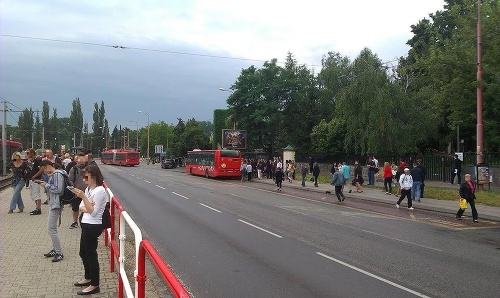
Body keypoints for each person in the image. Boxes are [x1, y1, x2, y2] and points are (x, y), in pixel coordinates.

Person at [70, 165, 107, 295]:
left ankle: (95, 284)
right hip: (86, 223)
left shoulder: (99, 191)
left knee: (91, 255)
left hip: (93, 226)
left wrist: (85, 199)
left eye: (87, 177)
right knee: (83, 252)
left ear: (94, 176)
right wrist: (86, 203)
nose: (84, 179)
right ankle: (88, 277)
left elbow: (93, 211)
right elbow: (81, 207)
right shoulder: (88, 189)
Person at [39, 159, 65, 262]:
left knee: (51, 229)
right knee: (52, 228)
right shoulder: (54, 174)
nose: (44, 171)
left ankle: (59, 252)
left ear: (48, 166)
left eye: (44, 169)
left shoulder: (57, 174)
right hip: (53, 203)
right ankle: (55, 249)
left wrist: (46, 185)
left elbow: (59, 190)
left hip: (56, 204)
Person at [69, 153, 88, 229]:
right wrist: (74, 191)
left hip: (87, 193)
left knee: (86, 207)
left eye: (83, 159)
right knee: (75, 208)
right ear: (77, 159)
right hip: (77, 192)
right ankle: (75, 222)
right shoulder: (74, 169)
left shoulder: (89, 168)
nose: (82, 160)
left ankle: (84, 221)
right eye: (80, 158)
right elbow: (70, 180)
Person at [26, 149, 43, 215]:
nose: (27, 155)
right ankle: (37, 208)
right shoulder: (33, 160)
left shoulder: (37, 160)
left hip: (36, 179)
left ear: (32, 153)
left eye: (28, 153)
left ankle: (39, 209)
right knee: (34, 194)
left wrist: (35, 176)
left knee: (36, 194)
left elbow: (41, 169)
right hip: (32, 179)